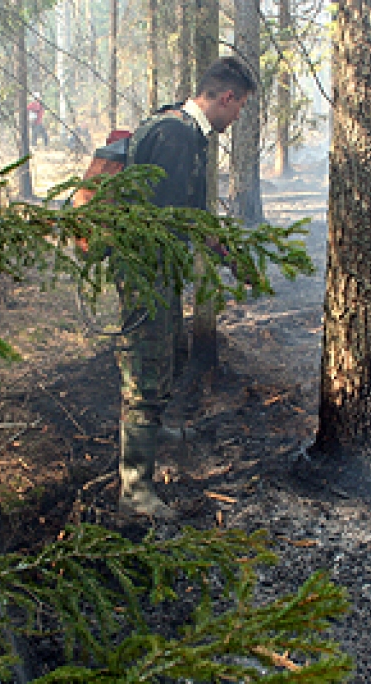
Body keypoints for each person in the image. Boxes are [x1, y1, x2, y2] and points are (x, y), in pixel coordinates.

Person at [116, 56, 257, 519]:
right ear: (226, 97)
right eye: (238, 110)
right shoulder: (177, 134)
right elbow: (167, 217)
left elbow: (191, 215)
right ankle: (135, 493)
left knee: (170, 357)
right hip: (146, 272)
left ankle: (155, 434)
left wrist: (229, 255)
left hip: (160, 271)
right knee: (146, 373)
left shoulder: (186, 132)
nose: (236, 119)